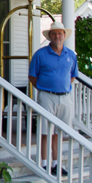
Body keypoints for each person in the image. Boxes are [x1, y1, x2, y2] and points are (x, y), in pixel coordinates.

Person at [28, 18, 78, 168]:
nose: (57, 36)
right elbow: (32, 76)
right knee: (45, 130)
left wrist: (62, 87)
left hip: (65, 97)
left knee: (59, 131)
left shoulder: (71, 55)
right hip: (47, 96)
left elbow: (73, 75)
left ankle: (57, 163)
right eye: (54, 34)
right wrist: (45, 88)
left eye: (60, 33)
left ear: (64, 35)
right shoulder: (40, 54)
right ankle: (44, 163)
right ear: (50, 36)